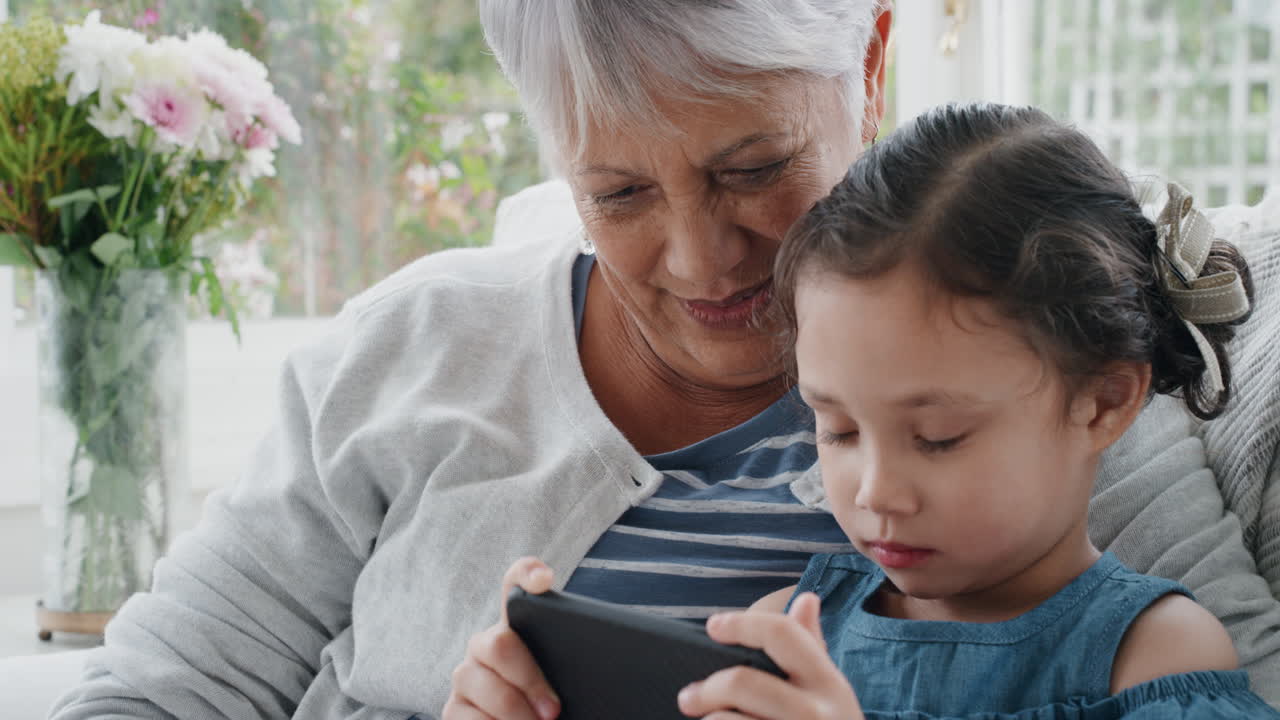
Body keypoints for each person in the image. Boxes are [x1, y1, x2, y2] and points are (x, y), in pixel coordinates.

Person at [49, 4, 1279, 720]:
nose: (699, 260)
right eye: (617, 189)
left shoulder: (1037, 368)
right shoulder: (410, 351)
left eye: (751, 169)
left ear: (867, 64)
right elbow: (157, 694)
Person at [666, 101, 1277, 719]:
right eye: (841, 431)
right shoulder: (788, 637)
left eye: (937, 437)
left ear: (1102, 404)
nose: (877, 493)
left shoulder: (1156, 655)